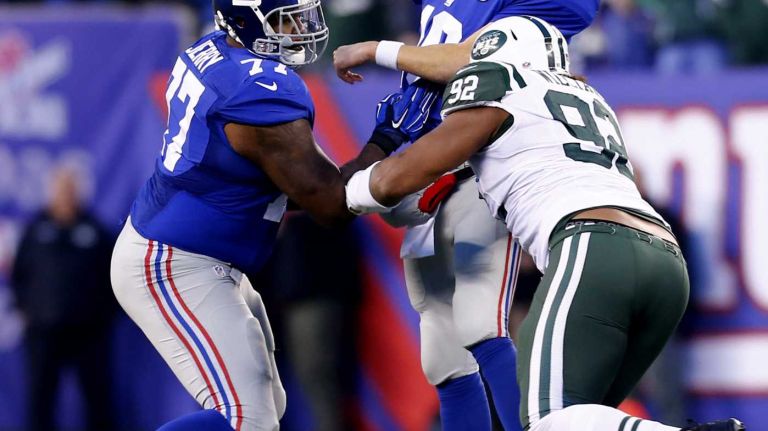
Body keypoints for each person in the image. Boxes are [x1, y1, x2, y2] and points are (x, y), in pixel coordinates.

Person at [343, 15, 745, 431]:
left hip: (593, 248)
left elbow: (398, 178)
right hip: (664, 261)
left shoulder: (499, 86)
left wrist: (348, 193)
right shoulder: (588, 96)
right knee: (580, 420)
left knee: (544, 420)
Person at [109, 1, 388, 430]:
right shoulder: (255, 90)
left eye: (301, 15)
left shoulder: (216, 52)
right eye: (284, 19)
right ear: (245, 20)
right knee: (246, 418)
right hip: (176, 262)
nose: (299, 28)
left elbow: (288, 185)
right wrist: (386, 143)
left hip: (197, 254)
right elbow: (329, 203)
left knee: (266, 408)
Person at [337, 1, 598, 430]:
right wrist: (374, 152)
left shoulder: (528, 15)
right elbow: (420, 94)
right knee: (442, 353)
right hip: (434, 169)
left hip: (484, 165)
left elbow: (467, 61)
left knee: (481, 323)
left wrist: (375, 48)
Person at [11, 167, 117, 431]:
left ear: (78, 193)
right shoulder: (35, 229)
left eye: (70, 190)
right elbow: (19, 275)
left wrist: (103, 317)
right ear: (51, 192)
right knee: (40, 399)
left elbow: (115, 279)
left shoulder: (95, 231)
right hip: (43, 331)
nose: (66, 196)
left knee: (97, 399)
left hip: (88, 332)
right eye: (61, 190)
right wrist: (25, 309)